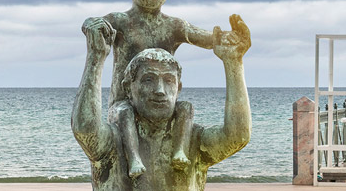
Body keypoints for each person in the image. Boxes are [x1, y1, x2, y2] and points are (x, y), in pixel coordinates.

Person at [80, 0, 247, 178]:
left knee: (185, 109)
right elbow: (94, 23)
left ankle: (180, 150)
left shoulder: (174, 25)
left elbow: (203, 37)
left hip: (161, 104)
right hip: (124, 100)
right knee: (125, 113)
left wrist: (225, 41)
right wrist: (91, 27)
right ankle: (134, 158)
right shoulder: (121, 21)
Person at [72, 13, 252, 189]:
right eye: (148, 80)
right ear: (128, 88)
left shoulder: (193, 139)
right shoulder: (114, 140)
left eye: (168, 81)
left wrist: (233, 62)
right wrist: (95, 58)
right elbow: (85, 129)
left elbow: (237, 136)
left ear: (178, 88)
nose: (159, 90)